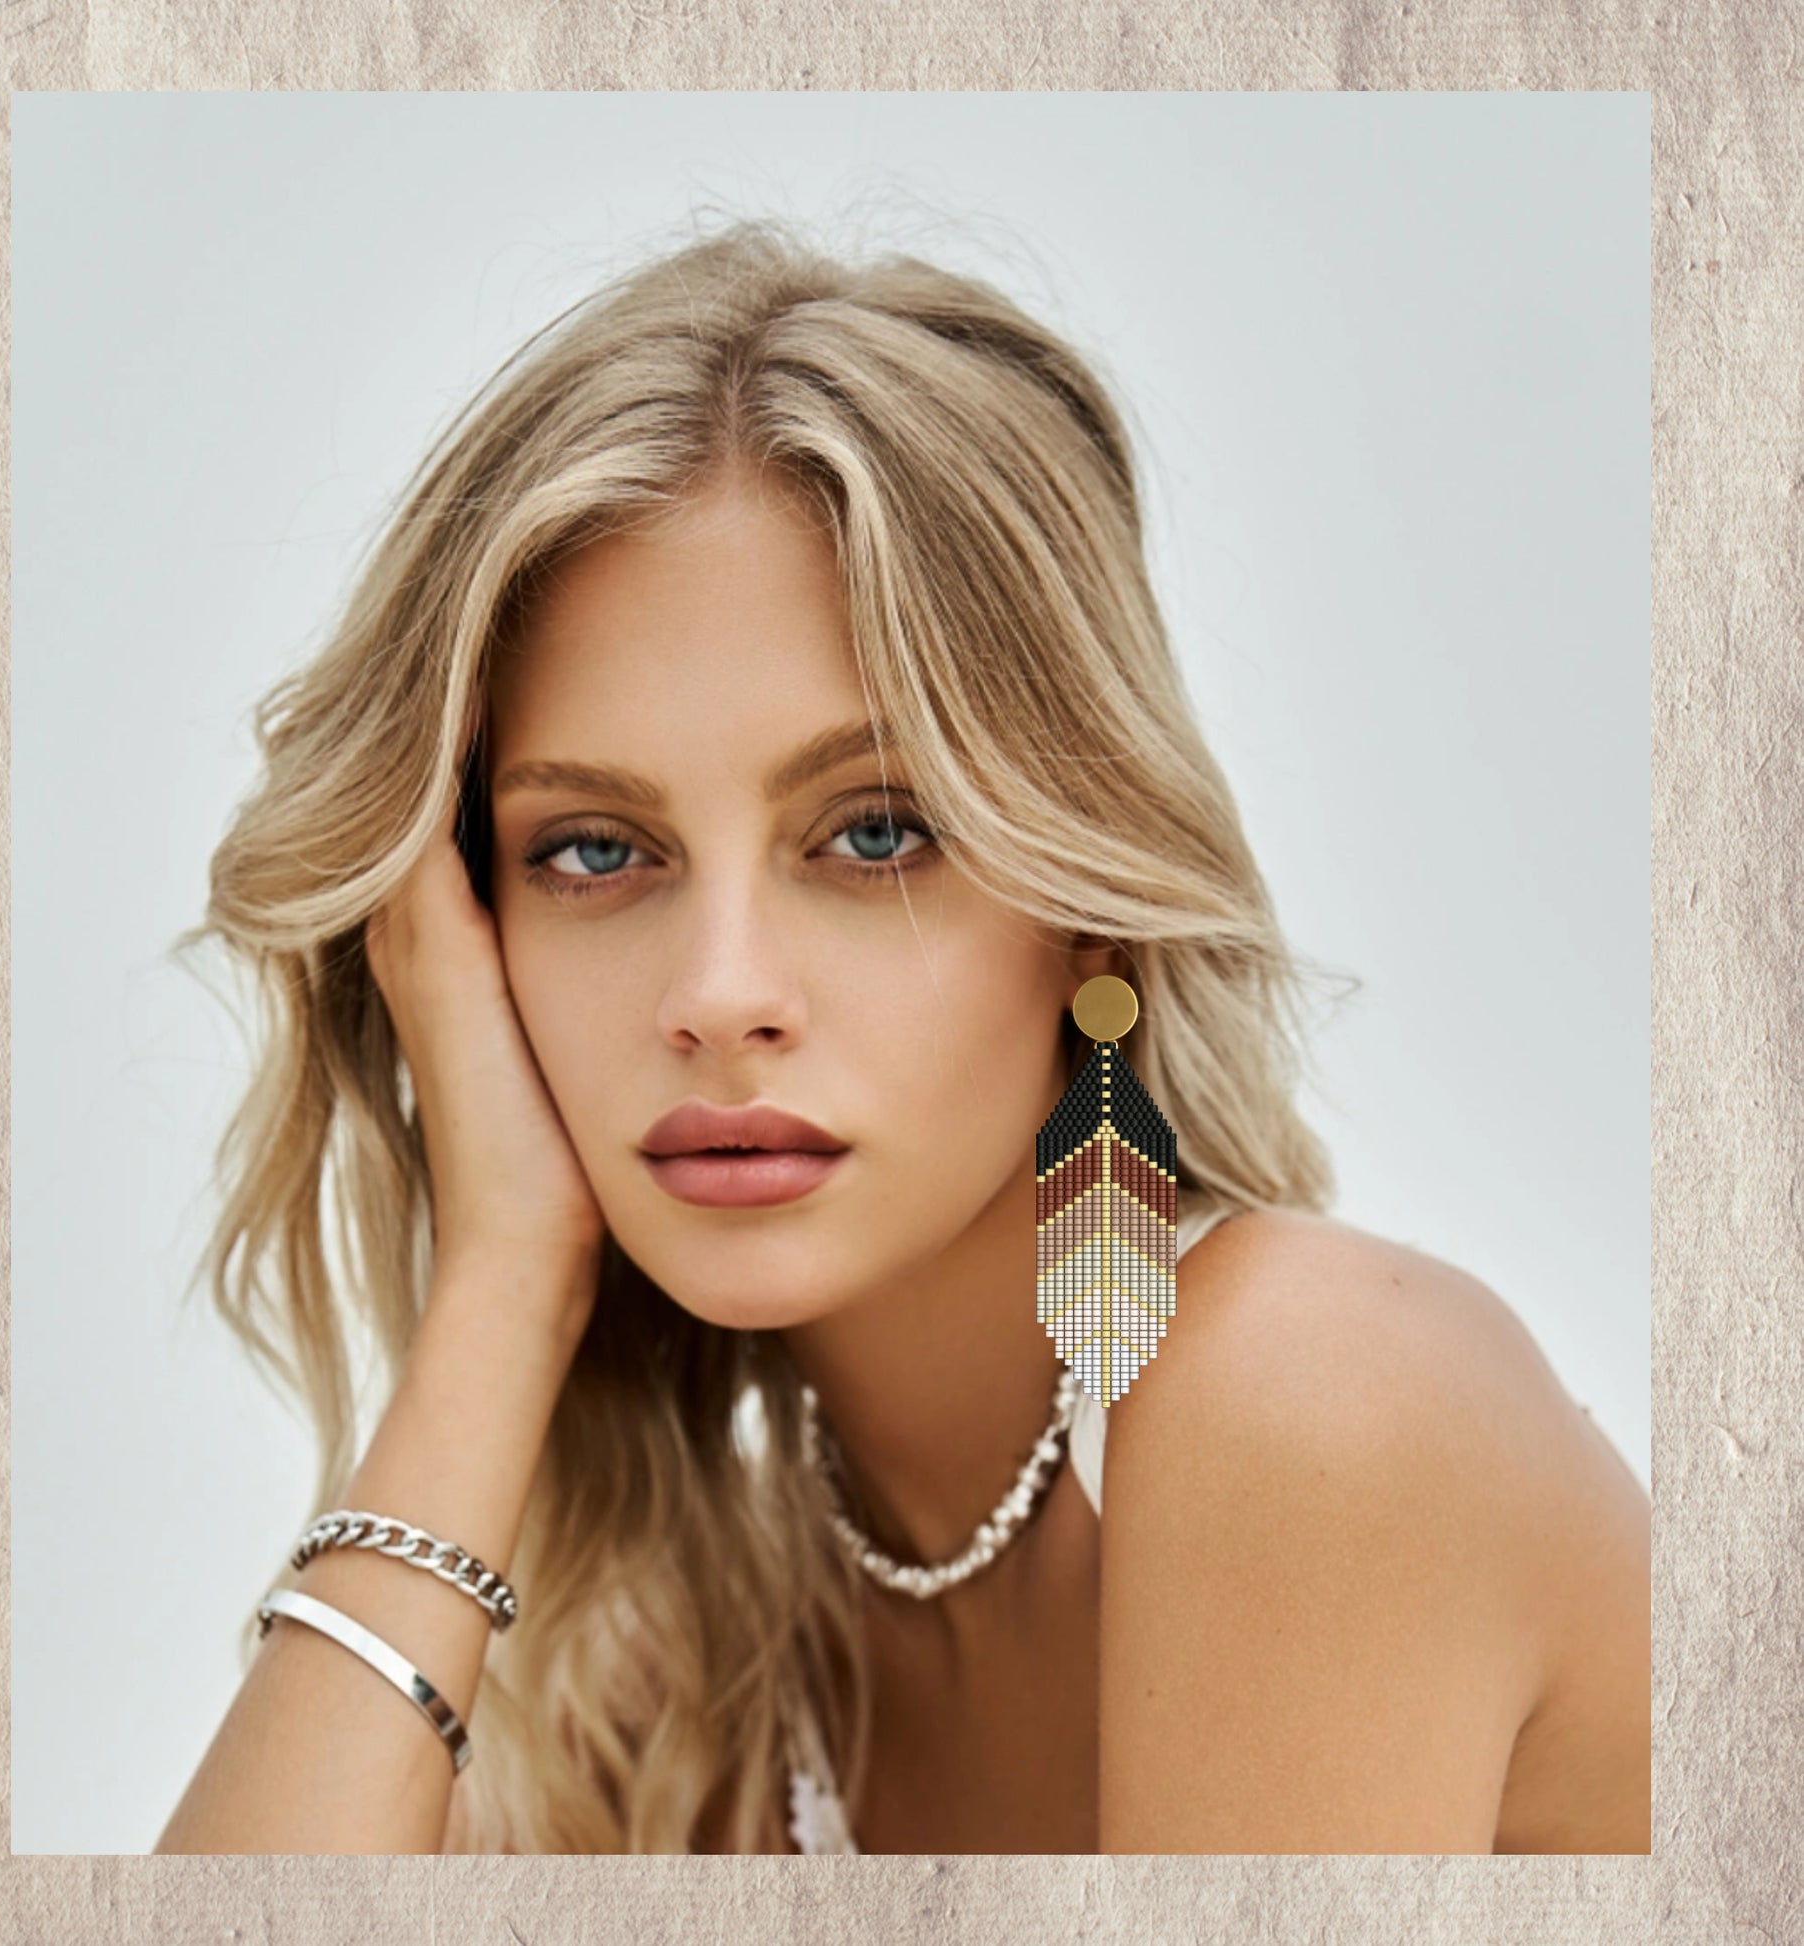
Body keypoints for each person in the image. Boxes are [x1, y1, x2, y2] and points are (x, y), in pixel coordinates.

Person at [154, 215, 1650, 1856]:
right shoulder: (690, 1693)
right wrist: (503, 1283)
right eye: (592, 849)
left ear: (1085, 901)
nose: (719, 992)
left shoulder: (1310, 1400)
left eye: (873, 833)